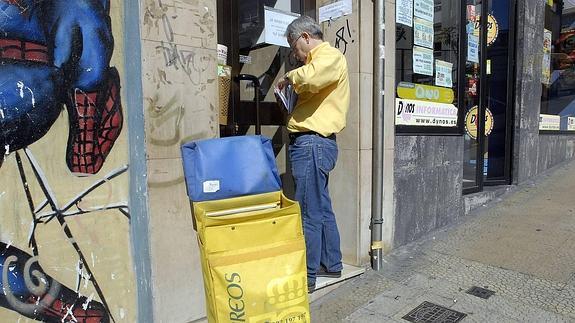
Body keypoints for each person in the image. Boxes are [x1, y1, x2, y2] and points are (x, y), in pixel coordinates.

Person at [276, 16, 350, 293]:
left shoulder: (329, 55)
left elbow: (312, 78)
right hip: (314, 144)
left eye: (293, 46)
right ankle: (331, 264)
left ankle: (307, 276)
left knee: (309, 211)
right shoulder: (316, 61)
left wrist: (287, 77)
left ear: (305, 36)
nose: (293, 54)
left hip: (312, 144)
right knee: (322, 207)